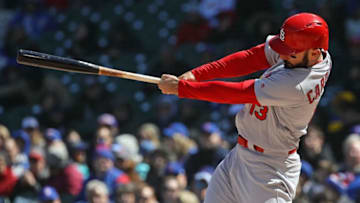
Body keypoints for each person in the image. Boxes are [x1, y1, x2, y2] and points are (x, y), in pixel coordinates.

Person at [158, 12, 332, 202]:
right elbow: (253, 57)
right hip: (240, 156)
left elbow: (239, 92)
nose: (282, 54)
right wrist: (197, 74)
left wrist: (183, 89)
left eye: (290, 52)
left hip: (270, 170)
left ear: (314, 53)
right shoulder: (309, 53)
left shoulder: (299, 85)